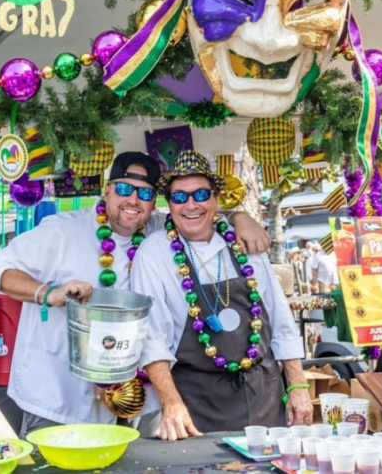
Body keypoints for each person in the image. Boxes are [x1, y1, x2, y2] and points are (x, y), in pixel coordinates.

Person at [0, 152, 271, 436]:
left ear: (153, 202)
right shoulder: (64, 231)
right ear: (107, 191)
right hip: (60, 396)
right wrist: (48, 293)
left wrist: (239, 216)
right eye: (124, 189)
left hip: (135, 401)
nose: (133, 200)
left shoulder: (158, 229)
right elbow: (1, 270)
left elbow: (198, 212)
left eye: (145, 193)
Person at [131, 150, 311, 441]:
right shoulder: (154, 252)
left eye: (200, 194)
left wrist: (298, 386)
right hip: (198, 404)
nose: (191, 205)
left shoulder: (243, 242)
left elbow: (280, 319)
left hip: (265, 395)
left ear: (215, 199)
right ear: (169, 205)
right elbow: (152, 339)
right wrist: (171, 403)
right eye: (179, 197)